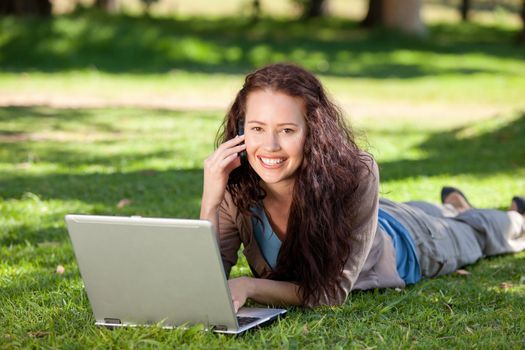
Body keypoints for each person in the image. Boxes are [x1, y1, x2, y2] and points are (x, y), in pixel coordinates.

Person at [200, 63, 525, 311]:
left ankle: (513, 219)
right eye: (258, 128)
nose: (269, 146)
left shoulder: (355, 173)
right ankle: (453, 206)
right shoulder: (235, 183)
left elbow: (330, 293)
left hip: (411, 243)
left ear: (313, 130)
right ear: (242, 129)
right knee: (434, 212)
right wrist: (210, 203)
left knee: (477, 232)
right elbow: (206, 281)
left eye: (286, 130)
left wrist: (250, 285)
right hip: (377, 220)